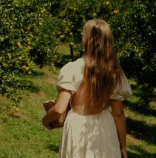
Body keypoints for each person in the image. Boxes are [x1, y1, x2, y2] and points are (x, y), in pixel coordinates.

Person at [42, 19, 132, 158]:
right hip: (104, 127)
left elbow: (59, 109)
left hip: (78, 127)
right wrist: (123, 147)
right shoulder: (114, 73)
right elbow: (118, 114)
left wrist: (45, 120)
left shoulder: (72, 69)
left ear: (85, 40)